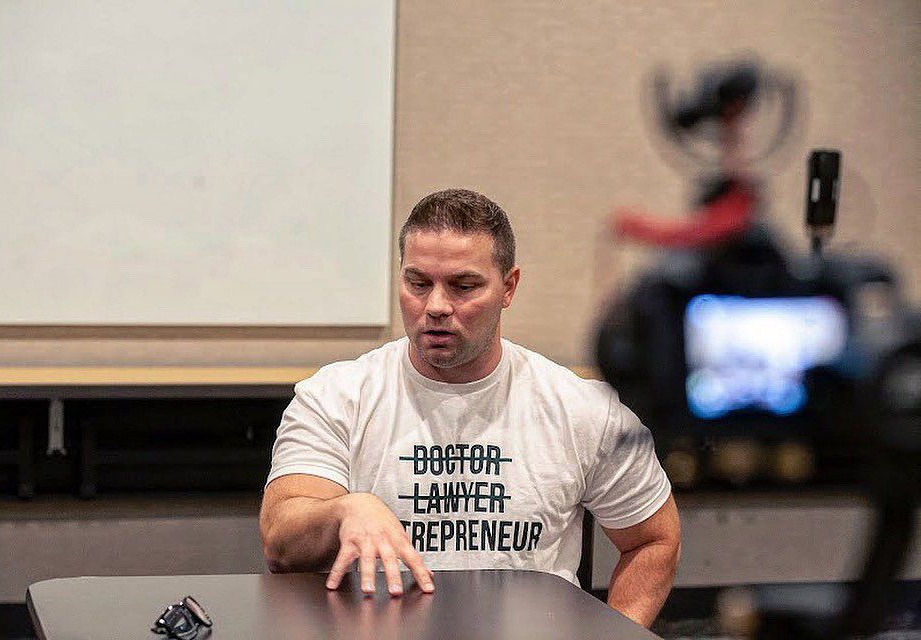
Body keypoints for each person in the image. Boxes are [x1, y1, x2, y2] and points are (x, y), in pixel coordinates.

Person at [259, 188, 680, 627]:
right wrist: (345, 510)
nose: (436, 307)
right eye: (418, 283)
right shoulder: (336, 396)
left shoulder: (581, 408)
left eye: (463, 286)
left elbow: (653, 541)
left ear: (508, 288)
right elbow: (280, 542)